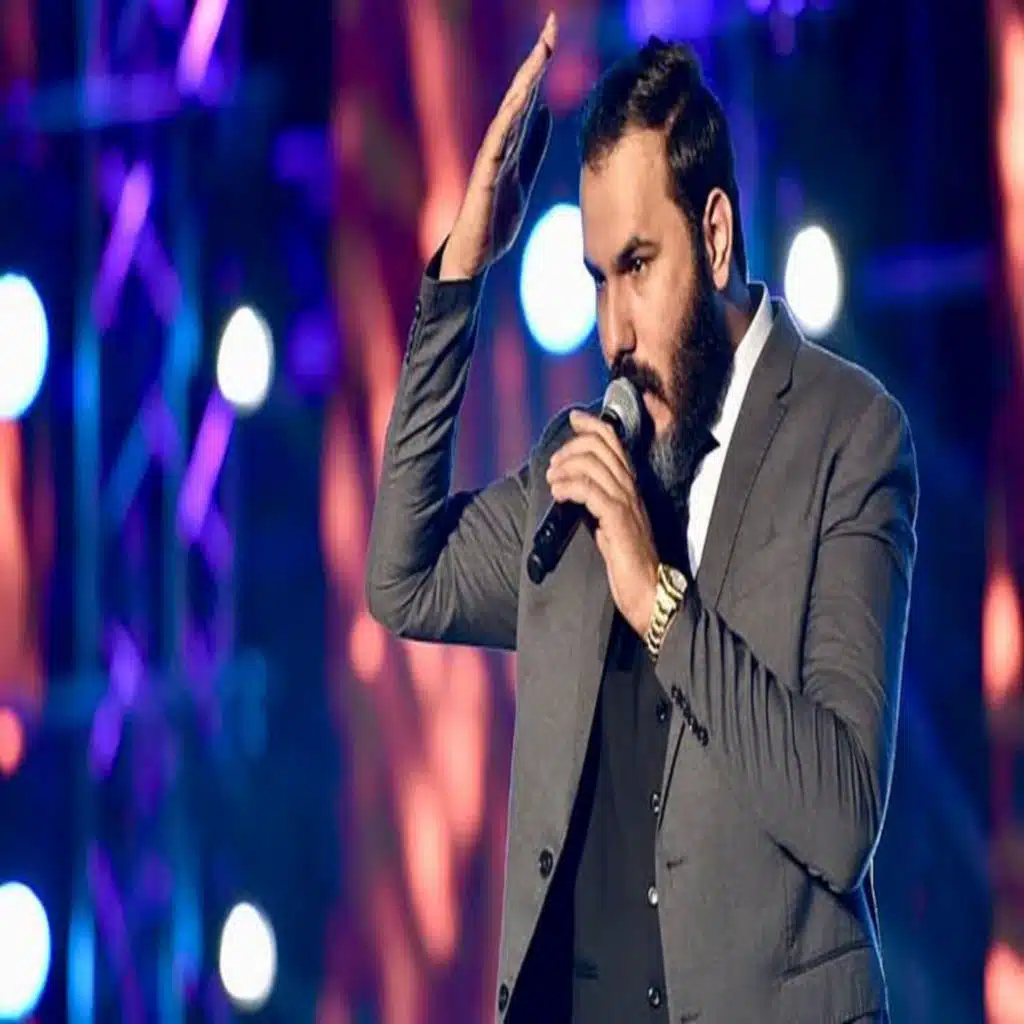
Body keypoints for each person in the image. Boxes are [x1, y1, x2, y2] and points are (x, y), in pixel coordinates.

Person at [365, 12, 917, 1023]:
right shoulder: (581, 468)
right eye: (595, 280)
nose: (612, 329)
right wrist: (462, 271)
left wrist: (656, 598)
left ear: (715, 236)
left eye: (637, 266)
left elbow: (842, 817)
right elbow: (403, 579)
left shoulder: (849, 435)